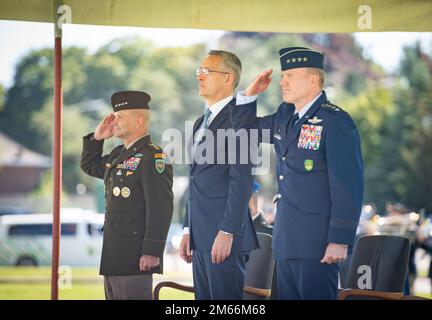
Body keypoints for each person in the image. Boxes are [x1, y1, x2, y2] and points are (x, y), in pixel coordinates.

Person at [231, 47, 364, 299]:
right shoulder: (285, 116)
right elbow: (245, 131)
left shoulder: (336, 121)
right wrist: (249, 95)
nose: (282, 81)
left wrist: (339, 240)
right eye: (283, 75)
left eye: (290, 75)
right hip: (286, 240)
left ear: (313, 80)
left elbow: (349, 185)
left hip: (318, 243)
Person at [179, 50, 259, 300]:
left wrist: (227, 232)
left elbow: (241, 181)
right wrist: (186, 228)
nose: (200, 77)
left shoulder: (240, 119)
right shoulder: (199, 123)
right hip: (200, 234)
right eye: (199, 71)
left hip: (224, 236)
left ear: (228, 78)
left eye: (207, 71)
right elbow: (195, 180)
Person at [80, 91, 174, 300]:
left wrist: (152, 250)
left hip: (135, 257)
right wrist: (97, 138)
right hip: (113, 255)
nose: (114, 121)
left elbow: (161, 206)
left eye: (120, 116)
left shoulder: (154, 156)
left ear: (139, 119)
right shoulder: (117, 154)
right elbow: (89, 165)